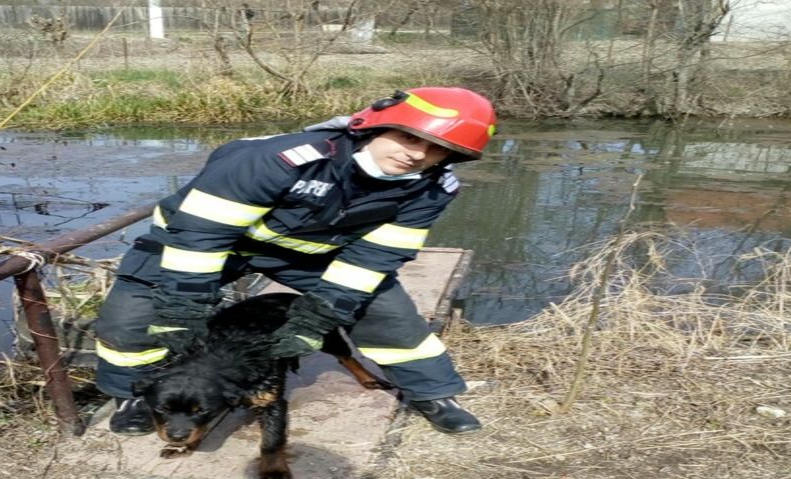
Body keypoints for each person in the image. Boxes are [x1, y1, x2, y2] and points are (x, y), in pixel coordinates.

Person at [94, 86, 497, 435]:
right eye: (409, 139)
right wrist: (182, 309)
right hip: (206, 241)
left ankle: (433, 394)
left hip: (308, 253)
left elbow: (374, 257)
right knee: (132, 314)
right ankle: (132, 394)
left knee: (387, 311)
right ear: (375, 127)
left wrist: (316, 319)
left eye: (437, 149)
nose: (418, 155)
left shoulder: (434, 189)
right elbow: (201, 236)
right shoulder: (280, 159)